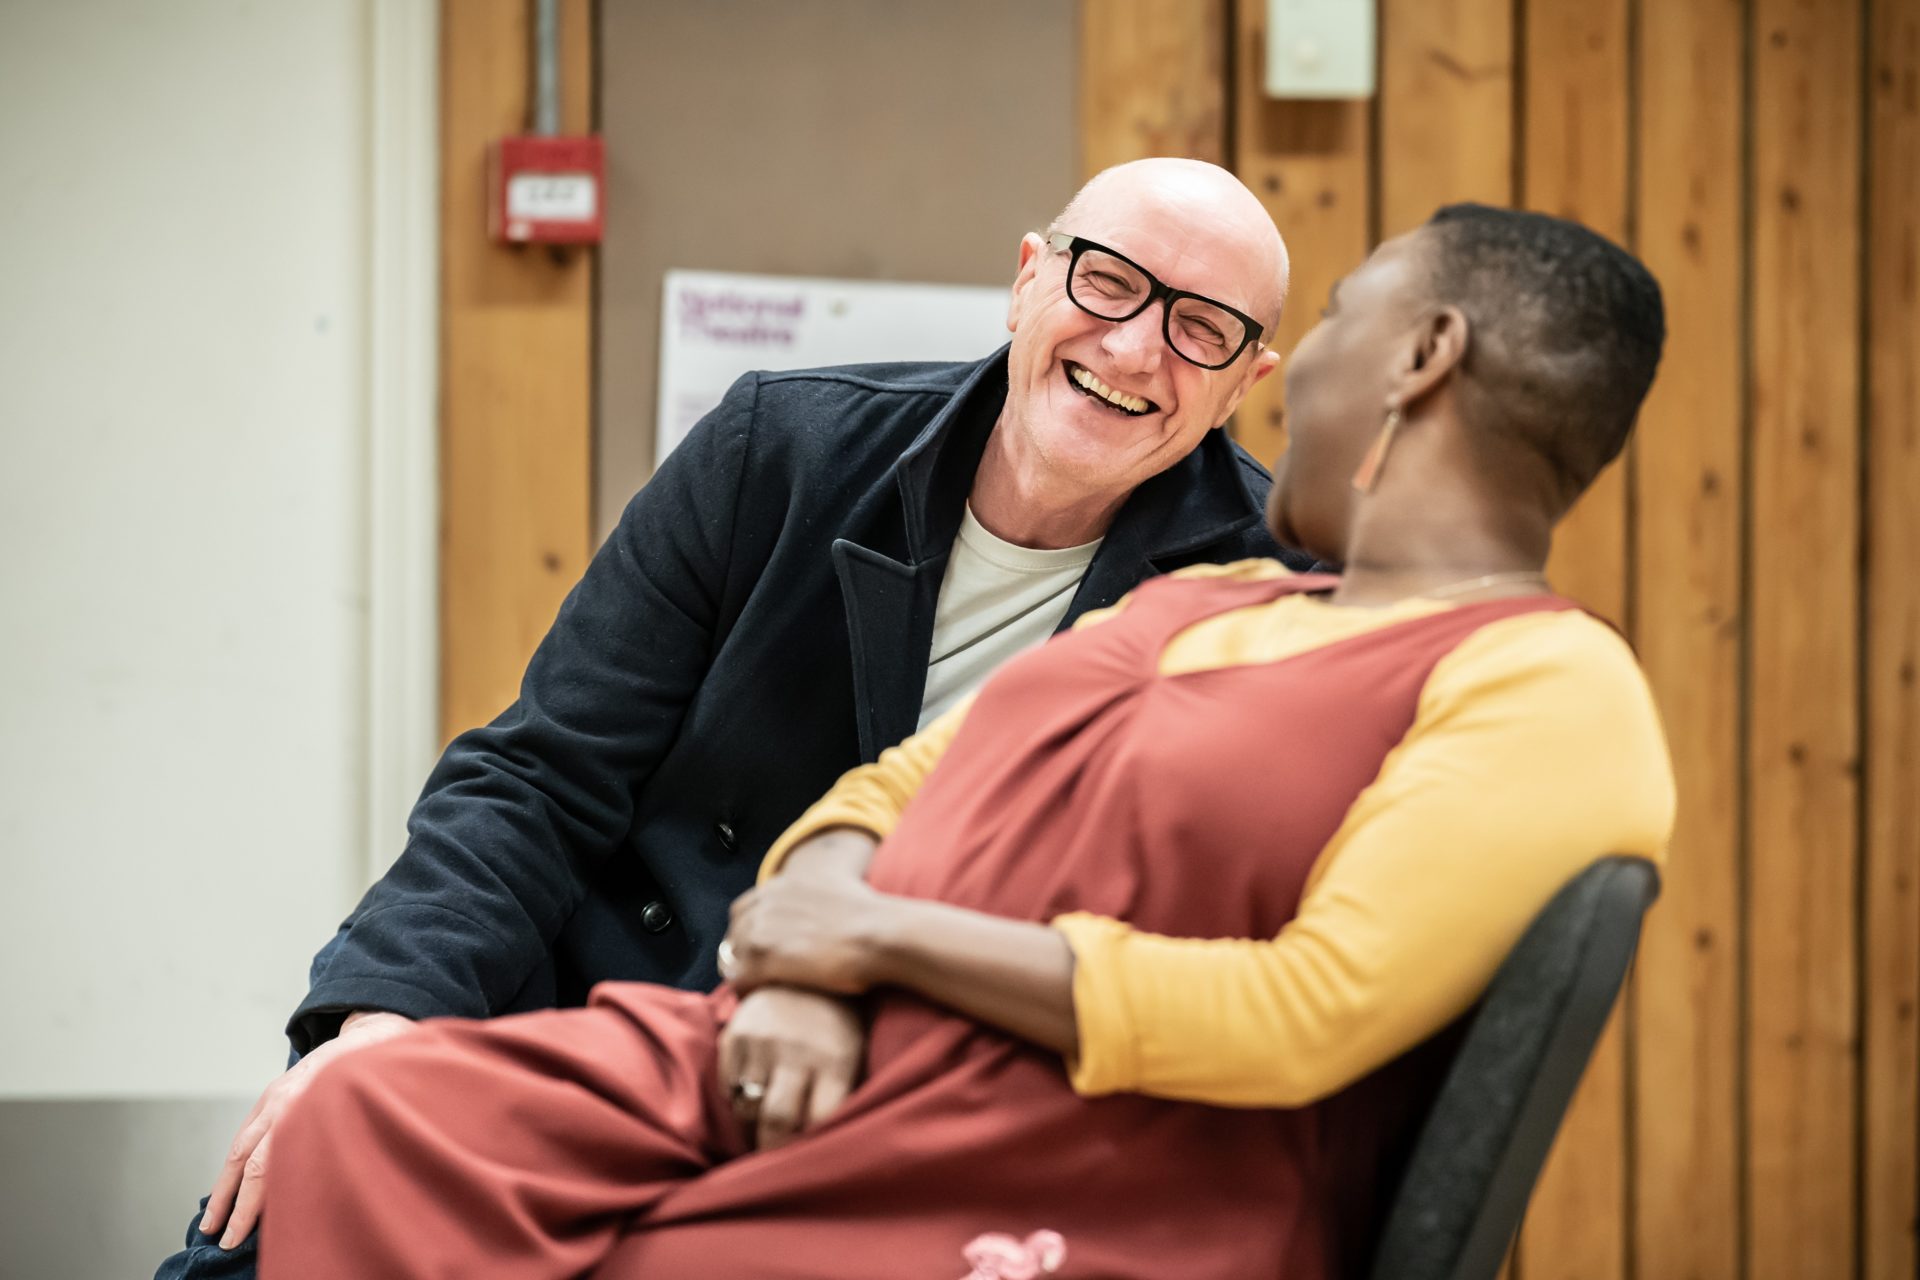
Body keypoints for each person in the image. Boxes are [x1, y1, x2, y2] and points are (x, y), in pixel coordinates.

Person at [254, 203, 1677, 1280]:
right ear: (1031, 271)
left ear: (1424, 357)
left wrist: (868, 950)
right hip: (790, 1040)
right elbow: (878, 786)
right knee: (350, 1118)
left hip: (1070, 1146)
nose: (1301, 366)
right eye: (1107, 284)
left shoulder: (1552, 684)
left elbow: (1311, 1009)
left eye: (1326, 319)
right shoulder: (1218, 598)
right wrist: (804, 957)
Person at [156, 157, 1301, 1279]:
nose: (1136, 346)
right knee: (272, 1220)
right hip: (618, 1004)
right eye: (1109, 281)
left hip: (919, 1088)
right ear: (1027, 278)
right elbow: (538, 778)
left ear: (1245, 381)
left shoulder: (1257, 585)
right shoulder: (780, 448)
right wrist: (382, 1027)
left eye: (1202, 328)